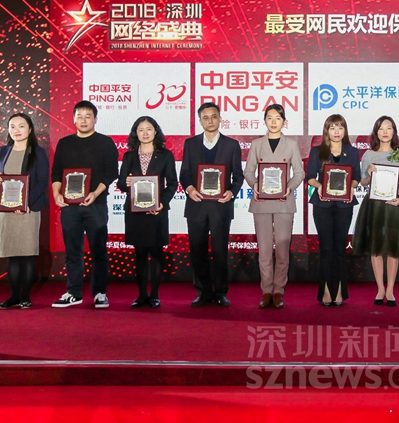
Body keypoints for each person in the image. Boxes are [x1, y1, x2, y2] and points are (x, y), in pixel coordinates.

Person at [51, 101, 118, 309]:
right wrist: (56, 193)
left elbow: (111, 173)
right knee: (73, 251)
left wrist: (95, 193)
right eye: (79, 116)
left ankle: (100, 293)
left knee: (99, 251)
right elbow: (56, 172)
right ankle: (73, 292)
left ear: (95, 119)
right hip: (69, 206)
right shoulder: (64, 143)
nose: (83, 120)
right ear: (73, 119)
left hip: (96, 204)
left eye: (88, 116)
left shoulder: (105, 143)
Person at [180, 102, 243, 308]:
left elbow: (238, 176)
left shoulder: (231, 145)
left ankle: (221, 292)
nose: (210, 120)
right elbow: (185, 173)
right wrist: (190, 188)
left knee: (220, 252)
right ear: (200, 121)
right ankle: (203, 292)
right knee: (197, 251)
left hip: (220, 206)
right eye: (205, 117)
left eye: (214, 116)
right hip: (196, 205)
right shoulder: (190, 144)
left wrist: (231, 192)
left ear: (220, 119)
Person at [245, 104, 305, 309]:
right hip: (261, 202)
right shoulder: (256, 144)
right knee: (264, 251)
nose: (273, 122)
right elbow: (248, 171)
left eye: (277, 118)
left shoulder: (291, 145)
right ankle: (266, 291)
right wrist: (255, 184)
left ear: (284, 122)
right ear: (264, 120)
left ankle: (278, 290)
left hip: (283, 202)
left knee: (282, 251)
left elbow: (299, 173)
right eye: (269, 118)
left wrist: (289, 187)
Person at [0, 113, 49, 309]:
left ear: (30, 129)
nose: (16, 130)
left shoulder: (38, 153)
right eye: (12, 126)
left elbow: (42, 182)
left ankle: (25, 297)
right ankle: (14, 296)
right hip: (5, 211)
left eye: (21, 126)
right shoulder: (2, 151)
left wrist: (26, 204)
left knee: (27, 253)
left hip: (28, 210)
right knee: (12, 254)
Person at [352, 116, 399, 307]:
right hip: (374, 205)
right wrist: (369, 174)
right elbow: (363, 182)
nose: (385, 132)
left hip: (394, 205)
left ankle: (391, 290)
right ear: (376, 132)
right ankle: (380, 288)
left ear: (394, 131)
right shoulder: (368, 155)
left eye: (389, 128)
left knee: (393, 248)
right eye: (381, 128)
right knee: (376, 247)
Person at [117, 117, 177, 309]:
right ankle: (142, 295)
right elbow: (121, 183)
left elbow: (172, 184)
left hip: (156, 212)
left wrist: (162, 203)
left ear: (155, 131)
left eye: (148, 129)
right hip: (135, 212)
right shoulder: (129, 156)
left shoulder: (165, 155)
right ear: (135, 133)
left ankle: (155, 295)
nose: (145, 133)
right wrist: (126, 183)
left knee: (156, 253)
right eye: (140, 129)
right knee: (140, 254)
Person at [306, 114, 361, 306]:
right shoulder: (317, 151)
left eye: (340, 127)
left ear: (345, 130)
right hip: (322, 205)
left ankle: (339, 291)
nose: (336, 131)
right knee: (326, 248)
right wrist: (320, 186)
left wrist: (351, 186)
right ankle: (326, 291)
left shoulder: (352, 152)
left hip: (344, 205)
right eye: (332, 127)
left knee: (339, 248)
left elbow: (357, 177)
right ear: (326, 130)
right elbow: (310, 177)